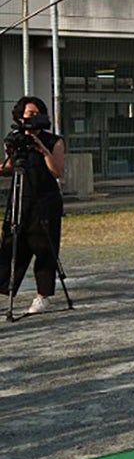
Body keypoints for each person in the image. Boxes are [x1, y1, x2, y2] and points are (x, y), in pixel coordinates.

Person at [0, 96, 67, 314]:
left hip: (45, 200)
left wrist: (42, 150)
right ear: (20, 117)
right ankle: (6, 290)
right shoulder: (15, 139)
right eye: (29, 113)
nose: (33, 117)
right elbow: (9, 167)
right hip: (20, 199)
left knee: (45, 247)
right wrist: (9, 153)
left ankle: (42, 296)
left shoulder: (53, 141)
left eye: (37, 113)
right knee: (12, 245)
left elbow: (57, 171)